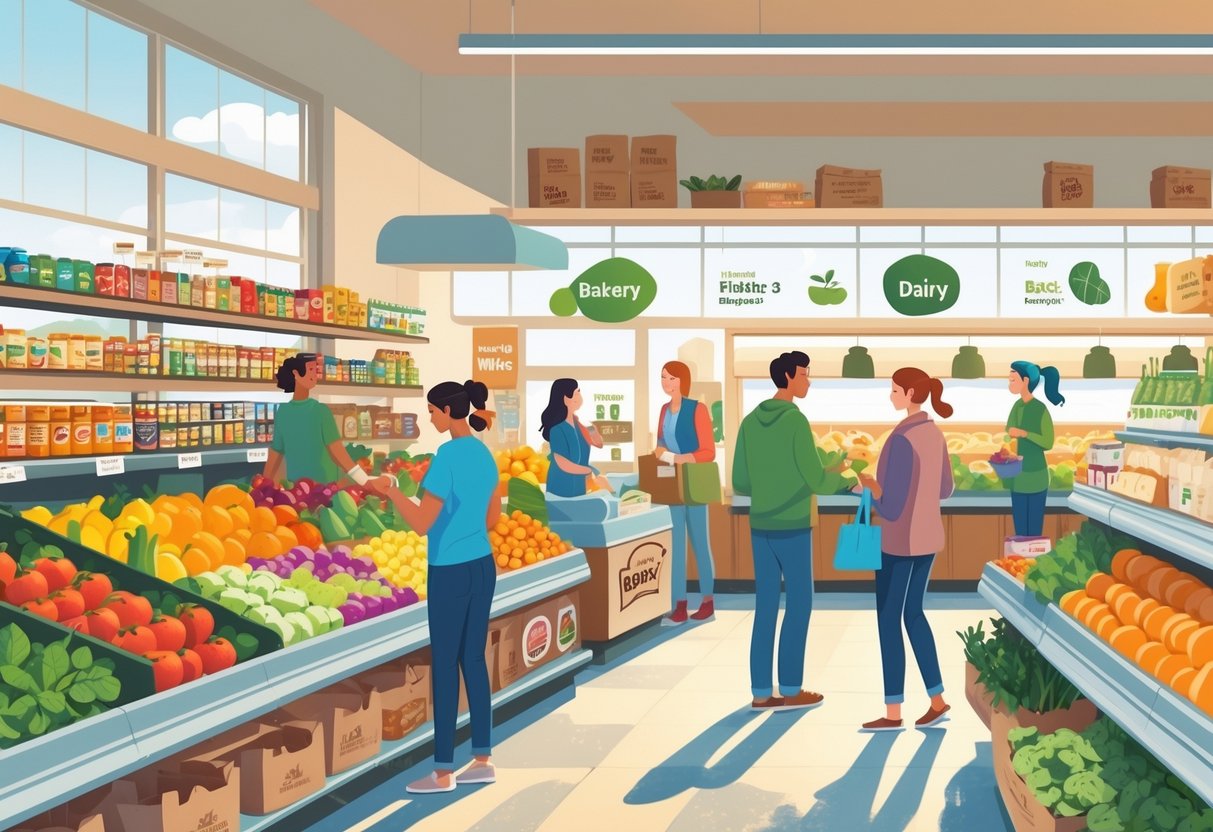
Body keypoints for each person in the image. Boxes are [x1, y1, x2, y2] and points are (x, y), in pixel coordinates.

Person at [374, 380, 501, 794]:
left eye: (431, 411)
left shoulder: (446, 457)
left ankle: (443, 771)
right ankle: (482, 760)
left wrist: (392, 492)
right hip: (482, 564)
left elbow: (420, 523)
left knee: (445, 666)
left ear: (447, 411)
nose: (430, 419)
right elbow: (492, 519)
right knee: (474, 660)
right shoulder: (483, 453)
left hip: (449, 570)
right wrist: (464, 526)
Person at [733, 351, 845, 711]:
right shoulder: (796, 421)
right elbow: (816, 480)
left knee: (765, 607)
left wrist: (770, 485)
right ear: (787, 377)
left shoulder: (749, 422)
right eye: (804, 374)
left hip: (760, 526)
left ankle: (760, 692)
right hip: (793, 526)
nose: (808, 381)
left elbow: (740, 481)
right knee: (799, 604)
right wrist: (845, 479)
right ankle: (792, 689)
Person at [855, 368, 955, 732]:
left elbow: (893, 507)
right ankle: (937, 700)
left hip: (898, 542)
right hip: (928, 538)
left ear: (911, 393)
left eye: (895, 390)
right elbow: (945, 489)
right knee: (914, 614)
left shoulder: (901, 439)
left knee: (888, 620)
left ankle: (893, 711)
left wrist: (868, 490)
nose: (891, 395)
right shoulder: (934, 433)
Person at [262, 353, 389, 490]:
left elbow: (275, 454)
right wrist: (365, 482)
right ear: (296, 374)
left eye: (316, 370)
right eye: (311, 369)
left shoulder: (283, 411)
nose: (315, 374)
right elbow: (339, 454)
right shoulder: (320, 411)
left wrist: (263, 484)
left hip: (296, 488)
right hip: (324, 489)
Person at [654, 361, 717, 626]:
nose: (665, 383)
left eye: (670, 378)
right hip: (672, 484)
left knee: (700, 543)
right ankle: (679, 605)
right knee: (676, 547)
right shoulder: (663, 410)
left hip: (695, 483)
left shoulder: (697, 409)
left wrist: (680, 458)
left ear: (682, 381)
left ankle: (707, 602)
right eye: (663, 377)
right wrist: (662, 453)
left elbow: (709, 451)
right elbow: (659, 443)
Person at [1006, 361, 1064, 537]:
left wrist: (1025, 434)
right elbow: (1009, 430)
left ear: (1025, 381)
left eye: (1013, 380)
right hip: (1018, 477)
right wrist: (1011, 436)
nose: (1009, 384)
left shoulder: (1040, 409)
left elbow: (1048, 442)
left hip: (1037, 476)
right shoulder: (1017, 406)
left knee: (1034, 532)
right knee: (1020, 532)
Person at [540, 378, 613, 497]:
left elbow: (599, 444)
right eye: (577, 392)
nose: (580, 396)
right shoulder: (557, 430)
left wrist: (593, 431)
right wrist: (589, 472)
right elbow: (563, 464)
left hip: (578, 489)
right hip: (560, 491)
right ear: (565, 398)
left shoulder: (579, 424)